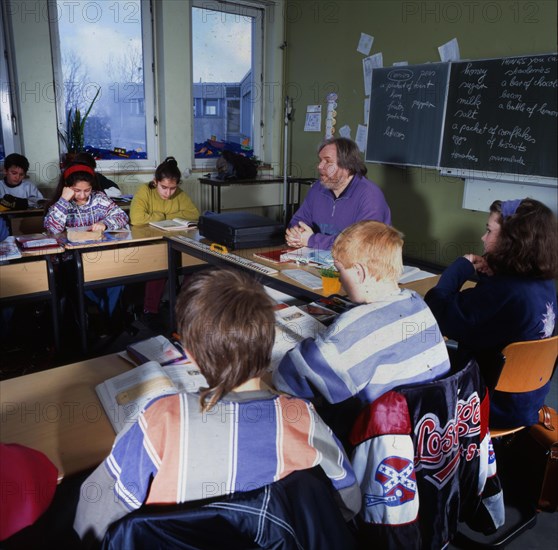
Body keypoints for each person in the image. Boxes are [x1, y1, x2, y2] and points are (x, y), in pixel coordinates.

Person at [73, 268, 360, 545]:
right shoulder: (303, 419)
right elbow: (348, 502)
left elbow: (93, 515)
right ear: (270, 345)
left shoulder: (161, 421)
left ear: (191, 356)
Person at [273, 220, 450, 440]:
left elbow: (290, 379)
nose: (339, 281)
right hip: (429, 430)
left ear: (360, 272)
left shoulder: (354, 328)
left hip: (377, 437)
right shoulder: (417, 303)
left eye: (340, 271)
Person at [424, 198, 558, 428]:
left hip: (485, 405)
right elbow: (493, 314)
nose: (483, 238)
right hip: (525, 401)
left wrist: (460, 268)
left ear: (512, 241)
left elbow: (437, 312)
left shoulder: (502, 294)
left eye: (489, 231)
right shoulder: (544, 284)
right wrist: (491, 273)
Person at [44, 163, 129, 319]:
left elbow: (122, 217)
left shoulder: (99, 198)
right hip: (71, 259)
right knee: (81, 281)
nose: (83, 196)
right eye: (77, 191)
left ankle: (104, 316)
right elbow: (53, 229)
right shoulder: (61, 203)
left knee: (119, 276)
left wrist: (105, 224)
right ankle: (100, 316)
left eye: (87, 190)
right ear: (67, 187)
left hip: (99, 254)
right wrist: (64, 200)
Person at [286, 138, 391, 250]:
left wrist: (311, 240)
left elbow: (363, 243)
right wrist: (296, 233)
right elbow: (299, 220)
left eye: (328, 161)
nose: (320, 166)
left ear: (347, 166)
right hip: (320, 259)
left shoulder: (370, 195)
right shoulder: (317, 188)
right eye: (320, 160)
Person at [130, 156, 199, 315]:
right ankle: (150, 309)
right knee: (161, 265)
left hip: (176, 240)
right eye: (164, 187)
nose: (168, 193)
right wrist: (166, 215)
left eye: (173, 188)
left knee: (196, 264)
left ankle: (182, 304)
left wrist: (157, 215)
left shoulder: (179, 194)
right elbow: (137, 219)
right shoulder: (144, 191)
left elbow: (194, 214)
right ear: (155, 181)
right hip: (151, 242)